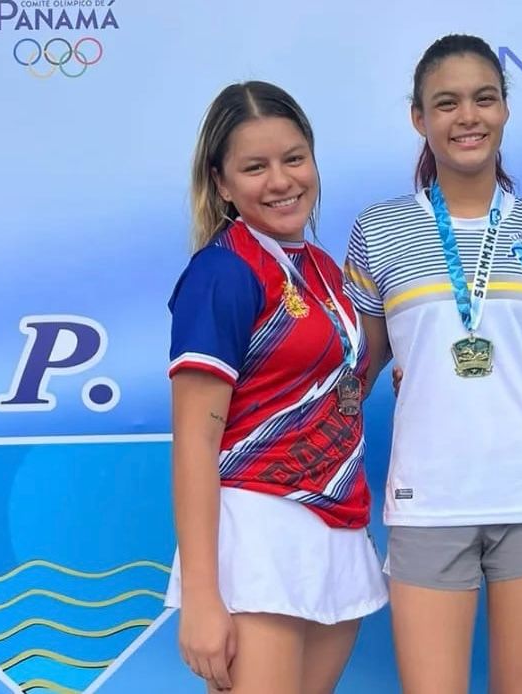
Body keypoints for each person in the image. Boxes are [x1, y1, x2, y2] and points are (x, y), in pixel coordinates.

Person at [342, 34, 522, 694]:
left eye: (484, 99)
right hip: (429, 499)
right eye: (446, 103)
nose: (467, 117)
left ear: (505, 108)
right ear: (418, 118)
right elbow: (358, 369)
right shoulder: (379, 229)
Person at [164, 81, 387, 694]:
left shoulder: (322, 269)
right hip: (259, 537)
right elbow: (193, 443)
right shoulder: (222, 272)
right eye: (255, 167)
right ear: (221, 182)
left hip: (336, 529)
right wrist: (202, 598)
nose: (281, 181)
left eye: (294, 158)